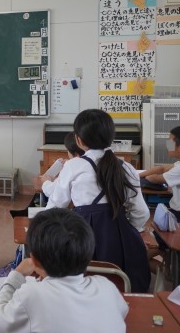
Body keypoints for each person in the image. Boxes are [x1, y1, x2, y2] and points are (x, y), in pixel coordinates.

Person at [45, 109, 150, 292]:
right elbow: (141, 212)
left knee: (78, 278)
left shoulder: (73, 166)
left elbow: (56, 205)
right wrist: (125, 229)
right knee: (120, 282)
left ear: (79, 140)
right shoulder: (126, 167)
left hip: (82, 236)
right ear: (111, 137)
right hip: (120, 238)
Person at [0, 208, 128, 332]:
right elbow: (123, 311)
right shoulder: (106, 286)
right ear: (88, 255)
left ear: (34, 261)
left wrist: (17, 274)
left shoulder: (31, 295)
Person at [139, 125, 180, 219]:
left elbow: (155, 179)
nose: (167, 145)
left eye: (170, 143)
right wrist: (137, 175)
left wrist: (146, 177)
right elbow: (162, 168)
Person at [38, 132, 85, 200]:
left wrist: (45, 182)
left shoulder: (70, 167)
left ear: (75, 153)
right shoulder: (89, 162)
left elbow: (54, 192)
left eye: (67, 150)